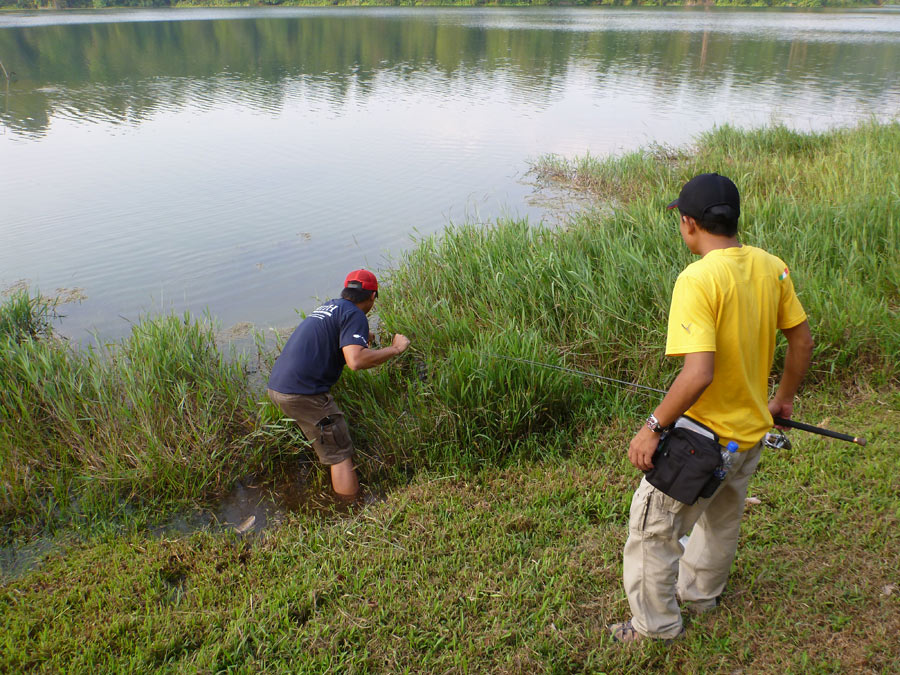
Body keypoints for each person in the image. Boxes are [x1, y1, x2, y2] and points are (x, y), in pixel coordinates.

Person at [608, 173, 814, 643]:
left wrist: (653, 426)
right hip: (750, 435)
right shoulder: (771, 266)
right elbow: (801, 339)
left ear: (689, 224)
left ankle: (654, 627)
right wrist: (782, 400)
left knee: (651, 530)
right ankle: (702, 595)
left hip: (700, 441)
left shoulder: (696, 279)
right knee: (722, 517)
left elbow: (699, 373)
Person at [267, 269, 411, 499]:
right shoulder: (355, 315)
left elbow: (331, 335)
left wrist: (364, 336)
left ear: (346, 291)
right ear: (372, 296)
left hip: (278, 386)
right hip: (302, 393)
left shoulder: (331, 307)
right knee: (339, 452)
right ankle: (349, 511)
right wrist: (395, 349)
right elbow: (355, 361)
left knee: (327, 442)